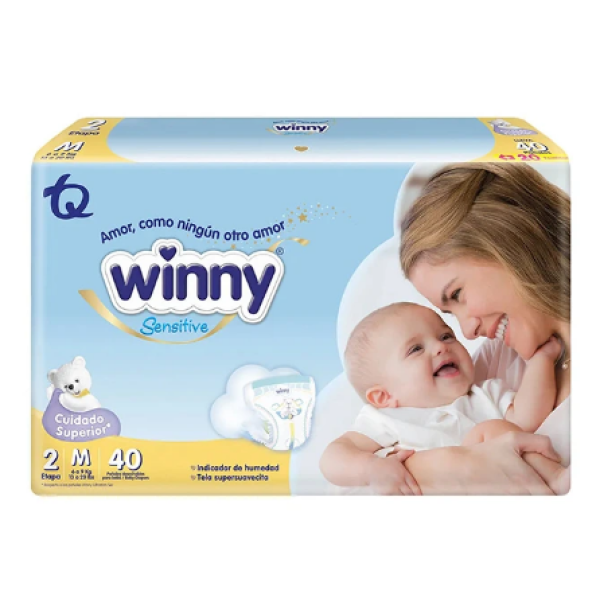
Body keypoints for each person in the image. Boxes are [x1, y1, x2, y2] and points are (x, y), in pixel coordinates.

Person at [395, 163, 570, 494]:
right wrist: (447, 463)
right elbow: (347, 489)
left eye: (457, 295)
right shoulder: (497, 360)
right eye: (449, 313)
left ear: (510, 240)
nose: (467, 331)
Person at [319, 303, 567, 495]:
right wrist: (371, 468)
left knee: (497, 430)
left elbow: (527, 420)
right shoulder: (386, 419)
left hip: (495, 487)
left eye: (446, 336)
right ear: (384, 397)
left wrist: (541, 361)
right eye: (416, 349)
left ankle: (556, 478)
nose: (441, 347)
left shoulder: (484, 394)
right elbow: (333, 457)